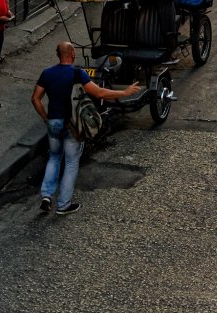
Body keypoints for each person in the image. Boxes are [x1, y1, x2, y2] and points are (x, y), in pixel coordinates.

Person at [31, 42, 141, 215]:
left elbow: (35, 98)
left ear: (58, 55)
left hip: (53, 122)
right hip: (72, 124)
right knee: (71, 163)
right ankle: (63, 205)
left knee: (54, 158)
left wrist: (46, 118)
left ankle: (46, 196)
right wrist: (125, 93)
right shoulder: (77, 73)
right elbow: (99, 93)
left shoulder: (47, 73)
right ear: (73, 54)